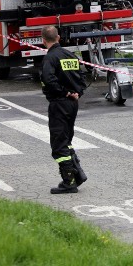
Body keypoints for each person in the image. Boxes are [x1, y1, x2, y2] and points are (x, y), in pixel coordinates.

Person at [40, 26, 88, 194]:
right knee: (66, 139)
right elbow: (82, 76)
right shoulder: (70, 55)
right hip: (72, 104)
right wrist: (77, 93)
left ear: (43, 41)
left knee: (59, 144)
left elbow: (48, 79)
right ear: (58, 37)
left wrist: (65, 92)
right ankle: (77, 174)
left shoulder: (50, 58)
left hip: (59, 103)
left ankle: (69, 181)